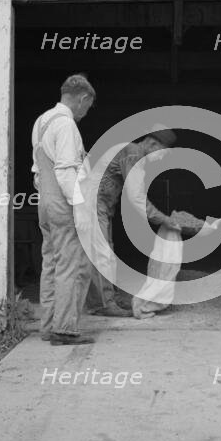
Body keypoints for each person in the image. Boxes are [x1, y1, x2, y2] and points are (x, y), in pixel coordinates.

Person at [87, 124, 180, 317]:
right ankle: (103, 303)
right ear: (152, 143)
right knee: (101, 253)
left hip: (101, 205)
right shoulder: (134, 153)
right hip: (93, 204)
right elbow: (136, 196)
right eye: (162, 152)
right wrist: (163, 219)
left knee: (105, 250)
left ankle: (108, 297)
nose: (161, 158)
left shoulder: (130, 152)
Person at [31, 74, 96, 345]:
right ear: (82, 99)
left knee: (52, 263)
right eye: (88, 107)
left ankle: (47, 326)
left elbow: (37, 171)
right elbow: (67, 170)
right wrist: (79, 207)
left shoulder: (42, 121)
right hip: (63, 202)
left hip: (44, 202)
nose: (86, 112)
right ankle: (65, 329)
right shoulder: (67, 125)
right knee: (72, 265)